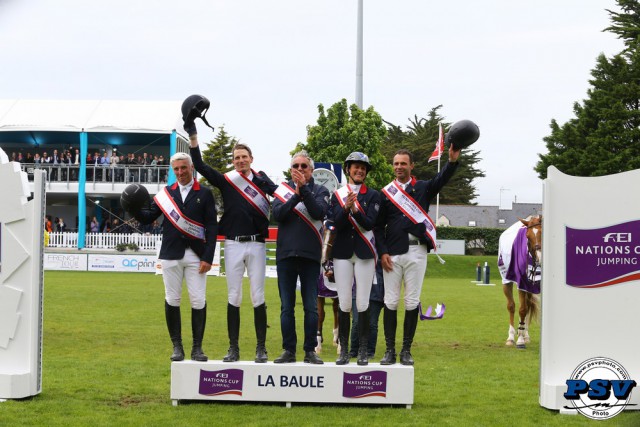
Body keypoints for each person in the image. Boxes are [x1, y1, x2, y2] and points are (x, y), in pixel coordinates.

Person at [187, 123, 277, 363]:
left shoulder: (261, 179)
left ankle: (261, 348)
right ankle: (233, 349)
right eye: (236, 158)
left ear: (251, 159)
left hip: (257, 244)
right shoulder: (227, 181)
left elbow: (279, 195)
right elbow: (201, 166)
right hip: (233, 244)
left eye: (244, 157)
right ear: (233, 161)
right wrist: (193, 138)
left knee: (258, 296)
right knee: (233, 296)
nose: (240, 161)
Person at [374, 146, 460, 365]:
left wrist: (451, 162)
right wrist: (382, 251)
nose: (399, 167)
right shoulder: (387, 194)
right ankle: (390, 350)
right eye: (396, 163)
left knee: (412, 301)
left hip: (417, 251)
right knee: (390, 301)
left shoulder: (423, 188)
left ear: (412, 166)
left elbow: (442, 179)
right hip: (392, 254)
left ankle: (405, 350)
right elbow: (378, 227)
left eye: (404, 163)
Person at [132, 152, 218, 362]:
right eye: (176, 169)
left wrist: (208, 256)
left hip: (197, 256)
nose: (180, 172)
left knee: (198, 300)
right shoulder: (165, 194)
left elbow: (212, 227)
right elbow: (147, 218)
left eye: (183, 168)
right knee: (173, 299)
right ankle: (177, 347)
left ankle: (197, 348)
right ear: (173, 170)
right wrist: (132, 206)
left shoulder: (205, 194)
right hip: (171, 254)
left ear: (191, 168)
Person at [271, 150, 328, 364]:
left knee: (311, 306)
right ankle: (289, 350)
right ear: (290, 169)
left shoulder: (321, 190)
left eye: (304, 166)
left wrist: (304, 190)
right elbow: (278, 215)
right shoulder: (282, 190)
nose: (300, 170)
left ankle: (310, 350)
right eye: (296, 166)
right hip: (286, 255)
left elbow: (318, 212)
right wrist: (296, 194)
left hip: (310, 256)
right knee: (287, 306)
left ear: (311, 170)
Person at [328, 152, 380, 366]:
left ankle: (363, 351)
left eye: (363, 168)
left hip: (364, 253)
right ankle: (344, 351)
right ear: (348, 169)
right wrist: (346, 208)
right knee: (345, 303)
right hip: (342, 253)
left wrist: (356, 210)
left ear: (366, 172)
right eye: (355, 167)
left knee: (363, 302)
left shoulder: (373, 195)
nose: (359, 170)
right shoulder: (337, 195)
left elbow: (369, 224)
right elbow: (334, 224)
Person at [348, 260, 385, 359]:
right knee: (356, 322)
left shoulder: (381, 253)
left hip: (376, 293)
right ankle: (353, 350)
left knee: (372, 323)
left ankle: (369, 351)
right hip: (358, 292)